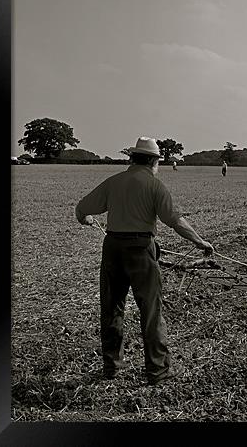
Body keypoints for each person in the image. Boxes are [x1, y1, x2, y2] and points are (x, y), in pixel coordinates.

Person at [75, 137, 214, 386]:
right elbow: (175, 221)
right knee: (151, 310)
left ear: (132, 158)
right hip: (141, 249)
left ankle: (111, 366)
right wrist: (200, 242)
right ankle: (158, 371)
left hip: (113, 248)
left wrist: (84, 219)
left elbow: (81, 208)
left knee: (112, 307)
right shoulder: (154, 186)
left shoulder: (113, 182)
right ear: (153, 161)